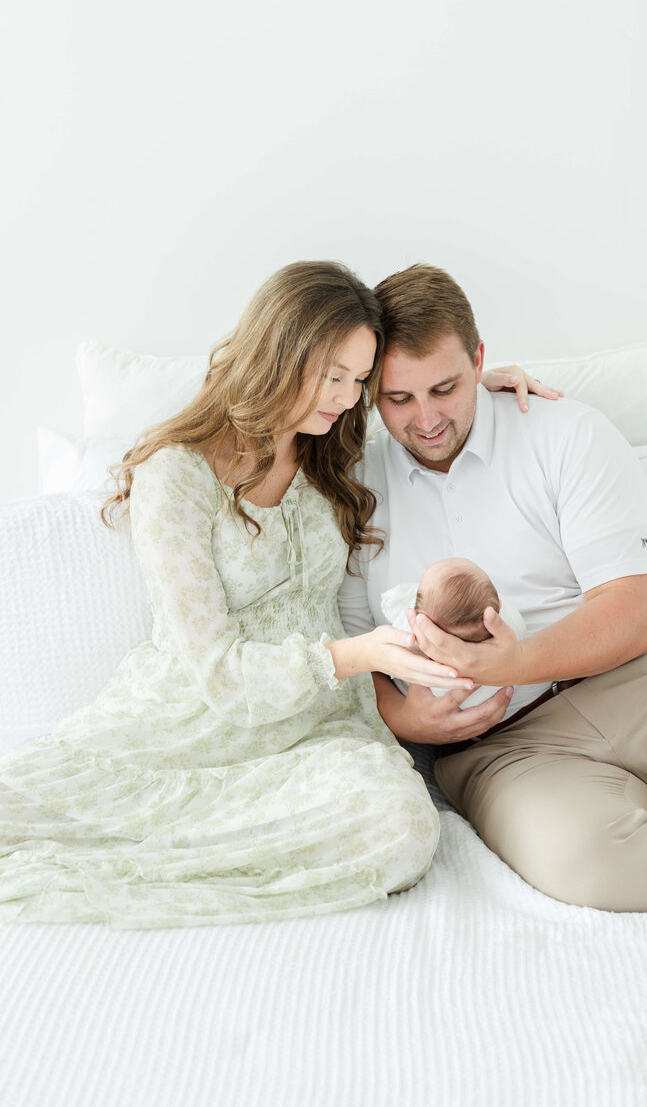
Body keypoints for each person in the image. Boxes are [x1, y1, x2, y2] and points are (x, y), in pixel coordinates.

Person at [0, 261, 466, 928]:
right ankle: (152, 839)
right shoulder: (177, 475)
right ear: (278, 352)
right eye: (332, 374)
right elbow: (217, 674)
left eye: (359, 380)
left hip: (313, 735)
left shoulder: (333, 453)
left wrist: (491, 389)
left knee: (400, 826)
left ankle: (184, 841)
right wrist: (355, 655)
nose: (344, 396)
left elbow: (430, 417)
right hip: (181, 726)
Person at [339, 263, 647, 917]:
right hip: (506, 749)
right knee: (592, 864)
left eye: (445, 387)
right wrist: (408, 719)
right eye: (398, 399)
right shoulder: (355, 492)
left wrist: (513, 661)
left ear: (479, 360)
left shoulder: (565, 432)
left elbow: (631, 612)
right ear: (368, 395)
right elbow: (364, 657)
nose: (427, 419)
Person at [380, 557, 526, 711]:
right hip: (496, 701)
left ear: (422, 624)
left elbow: (394, 654)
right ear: (499, 603)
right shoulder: (512, 623)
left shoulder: (413, 636)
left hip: (439, 706)